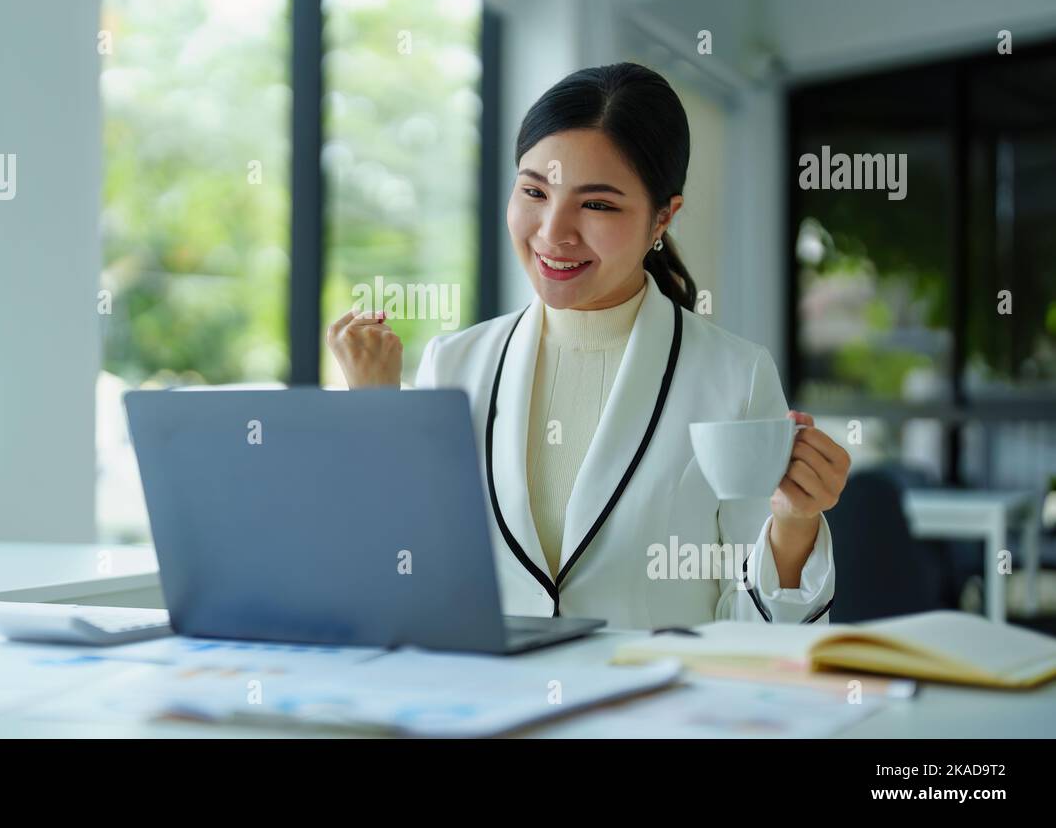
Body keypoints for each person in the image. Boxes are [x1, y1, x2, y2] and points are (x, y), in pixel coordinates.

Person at [327, 62, 848, 628]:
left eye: (596, 204)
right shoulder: (452, 364)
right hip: (488, 707)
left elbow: (753, 639)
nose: (554, 232)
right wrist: (374, 412)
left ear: (662, 217)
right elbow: (401, 583)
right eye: (534, 191)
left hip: (651, 710)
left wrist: (795, 527)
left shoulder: (734, 376)